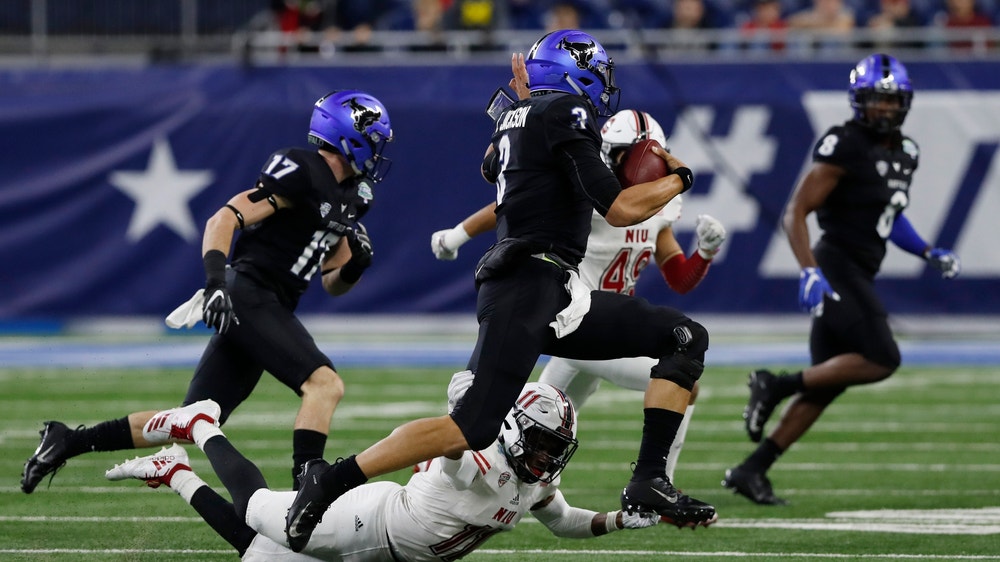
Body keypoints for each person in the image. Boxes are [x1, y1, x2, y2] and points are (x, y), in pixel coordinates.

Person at [284, 28, 716, 552]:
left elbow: (498, 165)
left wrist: (531, 108)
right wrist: (681, 177)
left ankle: (649, 480)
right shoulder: (563, 115)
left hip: (554, 286)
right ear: (574, 74)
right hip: (527, 283)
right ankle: (329, 480)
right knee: (470, 428)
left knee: (685, 338)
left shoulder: (528, 117)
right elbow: (619, 208)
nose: (603, 87)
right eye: (597, 74)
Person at [21, 90, 393, 494]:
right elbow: (225, 218)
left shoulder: (357, 195)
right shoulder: (303, 170)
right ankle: (309, 487)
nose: (378, 151)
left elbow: (331, 280)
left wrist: (355, 265)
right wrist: (215, 282)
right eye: (376, 139)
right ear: (350, 136)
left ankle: (67, 441)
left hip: (271, 304)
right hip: (249, 292)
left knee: (193, 422)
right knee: (324, 384)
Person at [431, 103, 727, 483]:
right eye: (634, 155)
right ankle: (659, 483)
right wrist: (459, 233)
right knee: (687, 384)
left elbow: (679, 279)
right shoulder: (591, 192)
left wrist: (704, 253)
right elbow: (505, 204)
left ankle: (489, 480)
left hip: (609, 330)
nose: (643, 164)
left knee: (533, 428)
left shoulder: (658, 205)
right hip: (576, 320)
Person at [722, 54, 961, 505]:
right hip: (837, 266)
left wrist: (927, 251)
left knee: (827, 383)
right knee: (882, 357)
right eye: (877, 100)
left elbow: (892, 215)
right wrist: (809, 268)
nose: (885, 110)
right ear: (859, 102)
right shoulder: (844, 143)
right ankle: (774, 384)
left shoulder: (906, 151)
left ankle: (752, 469)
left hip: (858, 266)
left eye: (893, 101)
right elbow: (798, 211)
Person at [105, 383, 662, 561]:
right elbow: (445, 438)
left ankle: (173, 473)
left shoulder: (533, 479)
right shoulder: (475, 455)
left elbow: (563, 521)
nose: (546, 458)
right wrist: (463, 402)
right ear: (513, 428)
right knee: (254, 511)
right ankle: (202, 426)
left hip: (392, 550)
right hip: (365, 524)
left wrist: (618, 520)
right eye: (540, 443)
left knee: (257, 553)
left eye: (554, 448)